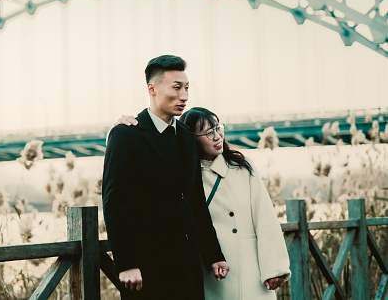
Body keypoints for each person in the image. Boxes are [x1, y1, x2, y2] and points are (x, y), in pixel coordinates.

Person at [118, 107, 291, 299]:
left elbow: (265, 217)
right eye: (208, 133)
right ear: (190, 137)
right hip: (209, 271)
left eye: (218, 128)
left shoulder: (242, 167)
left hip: (249, 269)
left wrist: (274, 268)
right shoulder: (182, 172)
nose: (217, 136)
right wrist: (122, 127)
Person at [102, 55, 229, 300]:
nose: (185, 96)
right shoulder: (125, 135)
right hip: (145, 270)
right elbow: (114, 202)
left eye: (187, 88)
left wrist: (214, 255)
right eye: (176, 87)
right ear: (152, 88)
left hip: (188, 267)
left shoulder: (185, 135)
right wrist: (126, 262)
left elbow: (195, 201)